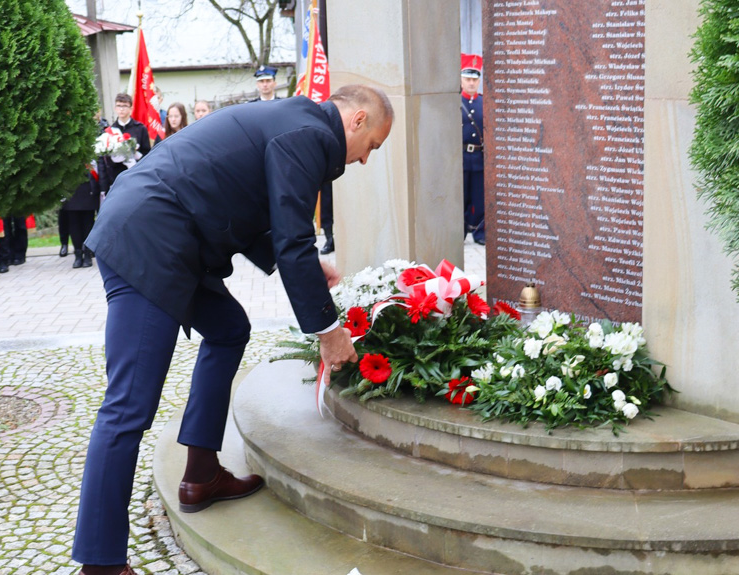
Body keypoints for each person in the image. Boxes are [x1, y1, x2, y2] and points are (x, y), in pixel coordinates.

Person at [72, 85, 393, 575]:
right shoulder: (309, 134)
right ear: (357, 120)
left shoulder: (299, 123)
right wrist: (328, 331)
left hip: (170, 231)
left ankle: (200, 474)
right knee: (127, 408)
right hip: (150, 240)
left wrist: (309, 264)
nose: (366, 159)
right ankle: (100, 563)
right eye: (372, 146)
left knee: (227, 328)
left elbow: (245, 198)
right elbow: (291, 236)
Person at [98, 93, 151, 197]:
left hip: (136, 177)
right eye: (119, 106)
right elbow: (104, 160)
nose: (121, 109)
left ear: (131, 108)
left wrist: (135, 153)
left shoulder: (140, 129)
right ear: (115, 108)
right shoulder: (109, 130)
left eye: (124, 106)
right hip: (116, 179)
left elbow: (147, 155)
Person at [461, 53, 485, 245]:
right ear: (461, 80)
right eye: (467, 79)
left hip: (478, 157)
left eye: (474, 80)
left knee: (480, 199)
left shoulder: (484, 103)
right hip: (460, 157)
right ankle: (459, 232)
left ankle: (480, 233)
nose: (471, 83)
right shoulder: (455, 103)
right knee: (461, 197)